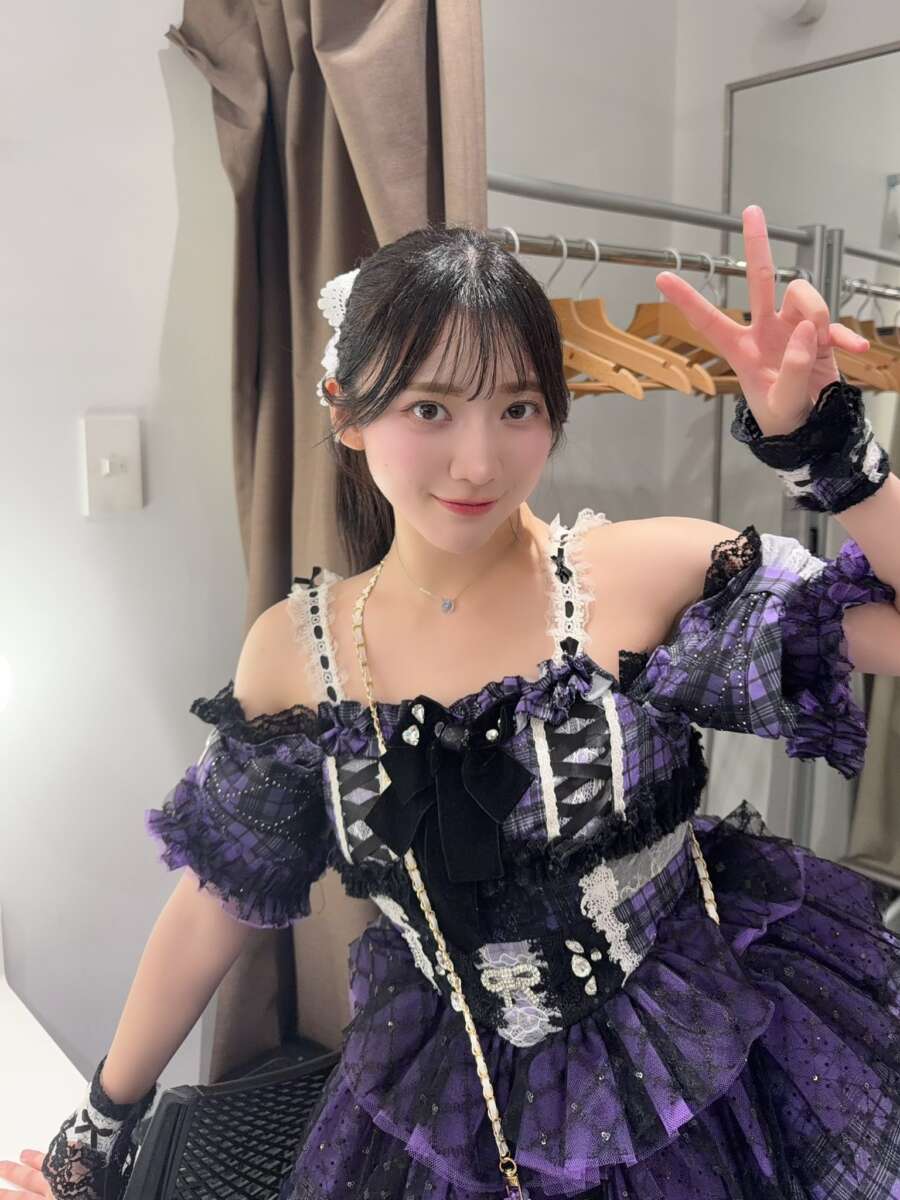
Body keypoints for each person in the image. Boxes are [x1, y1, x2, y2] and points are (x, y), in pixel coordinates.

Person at [9, 207, 900, 1199]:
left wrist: (827, 448)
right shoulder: (299, 656)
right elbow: (215, 903)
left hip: (705, 1067)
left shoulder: (641, 575)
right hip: (448, 1107)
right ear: (348, 411)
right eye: (429, 408)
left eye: (518, 408)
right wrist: (94, 1136)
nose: (479, 462)